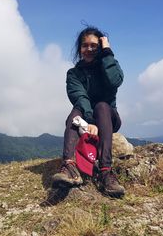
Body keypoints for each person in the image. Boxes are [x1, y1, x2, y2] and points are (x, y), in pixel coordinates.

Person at [52, 26, 125, 197]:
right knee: (76, 111)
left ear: (100, 47)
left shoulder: (108, 65)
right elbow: (80, 97)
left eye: (94, 45)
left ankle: (106, 171)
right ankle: (69, 166)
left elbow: (115, 80)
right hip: (86, 117)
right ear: (80, 49)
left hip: (108, 117)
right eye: (85, 45)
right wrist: (90, 121)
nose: (89, 49)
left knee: (101, 106)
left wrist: (107, 51)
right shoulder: (74, 74)